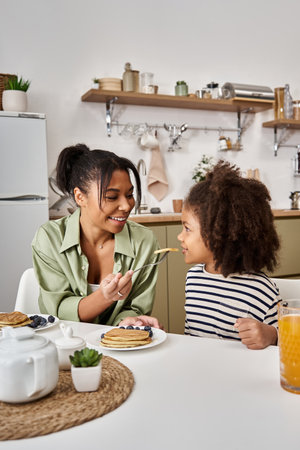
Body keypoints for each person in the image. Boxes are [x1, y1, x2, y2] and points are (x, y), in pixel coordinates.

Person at [32, 144, 162, 328]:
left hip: (120, 346)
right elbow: (57, 311)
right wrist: (105, 297)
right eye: (112, 197)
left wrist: (130, 320)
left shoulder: (144, 242)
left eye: (130, 194)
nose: (126, 206)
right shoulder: (49, 238)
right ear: (80, 197)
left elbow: (136, 308)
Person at [177, 160, 281, 350]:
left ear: (219, 233)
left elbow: (288, 341)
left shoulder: (261, 289)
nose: (180, 236)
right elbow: (191, 338)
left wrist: (271, 335)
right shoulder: (193, 278)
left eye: (187, 228)